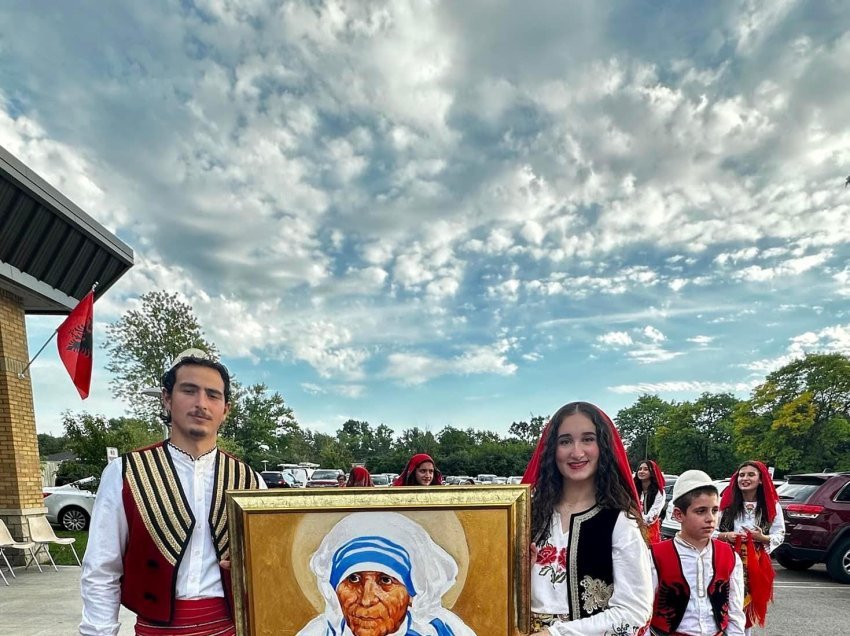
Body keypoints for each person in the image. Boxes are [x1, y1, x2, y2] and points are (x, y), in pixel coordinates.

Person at [80, 349, 266, 636]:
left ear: (225, 409)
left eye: (213, 395)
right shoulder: (125, 472)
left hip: (230, 628)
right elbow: (102, 569)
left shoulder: (250, 480)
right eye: (189, 391)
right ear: (167, 399)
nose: (201, 403)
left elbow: (269, 565)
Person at [522, 401, 653, 636]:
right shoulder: (528, 516)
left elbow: (634, 611)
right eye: (565, 441)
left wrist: (556, 634)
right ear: (552, 449)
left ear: (603, 447)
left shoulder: (619, 521)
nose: (576, 452)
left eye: (588, 439)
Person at [296, 512, 475, 636]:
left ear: (413, 593)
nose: (366, 600)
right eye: (353, 579)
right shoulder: (319, 632)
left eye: (385, 580)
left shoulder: (444, 630)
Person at [649, 470, 745, 636]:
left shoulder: (728, 554)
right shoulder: (656, 555)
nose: (710, 518)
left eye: (714, 510)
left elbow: (735, 610)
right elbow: (643, 609)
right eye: (701, 511)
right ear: (679, 514)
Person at [717, 461, 784, 634]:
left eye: (750, 475)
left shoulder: (771, 506)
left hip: (756, 563)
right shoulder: (725, 505)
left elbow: (780, 534)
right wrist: (726, 536)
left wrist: (762, 538)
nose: (745, 478)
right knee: (724, 603)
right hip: (726, 560)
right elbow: (710, 530)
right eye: (742, 475)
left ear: (761, 480)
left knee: (747, 607)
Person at [634, 460, 666, 544]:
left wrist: (640, 522)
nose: (641, 471)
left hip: (650, 531)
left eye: (645, 469)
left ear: (652, 472)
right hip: (633, 529)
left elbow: (654, 513)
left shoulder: (659, 492)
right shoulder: (634, 490)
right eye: (640, 469)